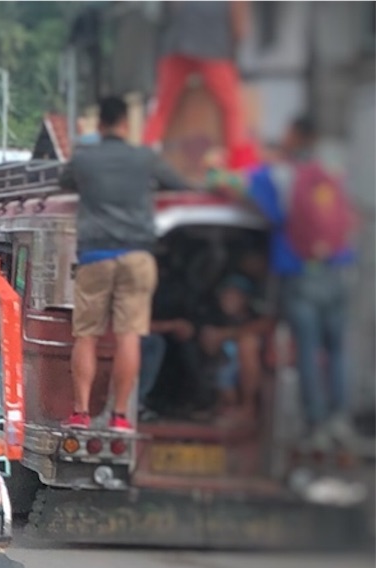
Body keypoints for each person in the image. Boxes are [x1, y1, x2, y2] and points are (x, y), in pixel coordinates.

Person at [59, 96, 192, 432]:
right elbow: (181, 185)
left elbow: (64, 182)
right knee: (129, 336)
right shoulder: (145, 158)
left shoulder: (85, 157)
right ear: (125, 125)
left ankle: (81, 413)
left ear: (100, 125)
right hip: (137, 254)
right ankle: (120, 416)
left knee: (86, 335)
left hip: (96, 255)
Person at [238, 116, 359, 449]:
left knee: (307, 349)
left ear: (295, 136)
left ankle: (316, 425)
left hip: (299, 274)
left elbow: (245, 190)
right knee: (336, 350)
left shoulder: (278, 174)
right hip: (338, 272)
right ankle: (340, 420)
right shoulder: (332, 173)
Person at [143, 1, 250, 163]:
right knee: (232, 109)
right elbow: (239, 26)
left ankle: (143, 157)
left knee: (161, 108)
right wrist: (233, 50)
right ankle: (238, 165)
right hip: (214, 47)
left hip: (176, 44)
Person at [198, 275, 270, 424]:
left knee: (247, 345)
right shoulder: (214, 316)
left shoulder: (254, 315)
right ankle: (224, 405)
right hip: (221, 372)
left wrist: (226, 334)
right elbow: (208, 345)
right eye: (225, 294)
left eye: (234, 295)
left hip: (249, 373)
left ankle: (247, 408)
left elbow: (264, 325)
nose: (228, 299)